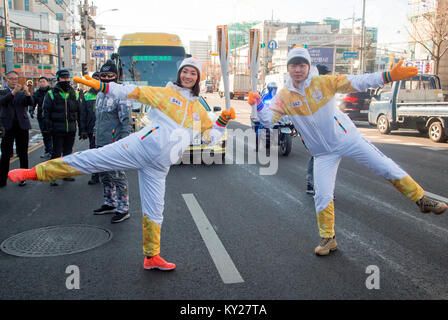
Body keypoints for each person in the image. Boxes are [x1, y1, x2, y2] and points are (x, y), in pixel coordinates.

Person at [8, 57, 236, 271]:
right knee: (93, 159)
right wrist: (103, 87)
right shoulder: (166, 94)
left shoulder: (199, 111)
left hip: (159, 166)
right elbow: (132, 92)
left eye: (192, 73)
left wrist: (222, 122)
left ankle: (151, 257)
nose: (188, 76)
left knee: (155, 211)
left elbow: (209, 138)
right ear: (180, 74)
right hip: (140, 147)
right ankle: (34, 173)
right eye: (185, 71)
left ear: (198, 78)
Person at [248, 46, 447, 256]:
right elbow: (269, 121)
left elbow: (358, 81)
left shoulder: (323, 83)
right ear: (288, 68)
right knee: (322, 195)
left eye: (301, 65)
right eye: (293, 65)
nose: (297, 69)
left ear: (308, 67)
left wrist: (387, 76)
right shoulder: (285, 96)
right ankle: (328, 239)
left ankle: (421, 199)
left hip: (348, 139)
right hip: (323, 153)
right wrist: (260, 105)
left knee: (385, 166)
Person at [89, 61, 131, 223]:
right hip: (100, 142)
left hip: (115, 144)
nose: (106, 78)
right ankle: (110, 203)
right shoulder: (99, 94)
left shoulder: (120, 95)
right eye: (103, 76)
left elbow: (125, 122)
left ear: (116, 77)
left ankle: (123, 208)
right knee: (104, 175)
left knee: (117, 176)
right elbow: (99, 119)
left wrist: (123, 144)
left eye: (110, 76)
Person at [42, 69, 82, 186]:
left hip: (71, 129)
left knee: (68, 153)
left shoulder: (74, 92)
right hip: (57, 129)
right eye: (63, 78)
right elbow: (46, 112)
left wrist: (81, 128)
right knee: (56, 153)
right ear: (58, 78)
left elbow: (79, 111)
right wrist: (49, 128)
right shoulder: (51, 93)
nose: (66, 80)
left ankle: (66, 174)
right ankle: (53, 176)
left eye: (67, 78)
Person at [0, 71, 33, 187]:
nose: (14, 81)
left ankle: (23, 177)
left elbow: (29, 103)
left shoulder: (21, 93)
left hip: (22, 126)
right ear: (6, 80)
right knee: (5, 154)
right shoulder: (3, 92)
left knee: (23, 153)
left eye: (16, 79)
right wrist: (13, 92)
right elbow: (2, 102)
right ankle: (2, 179)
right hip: (7, 127)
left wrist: (27, 92)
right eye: (11, 79)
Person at [306, 64, 332, 195]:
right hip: (315, 132)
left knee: (326, 160)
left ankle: (324, 188)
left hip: (328, 131)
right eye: (326, 75)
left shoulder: (326, 90)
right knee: (317, 157)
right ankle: (311, 184)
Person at [79, 71, 100, 185]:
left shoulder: (106, 93)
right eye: (94, 78)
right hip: (92, 130)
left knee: (106, 154)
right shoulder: (86, 96)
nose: (96, 80)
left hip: (105, 131)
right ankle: (95, 176)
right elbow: (82, 114)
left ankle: (106, 176)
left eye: (98, 78)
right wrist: (83, 130)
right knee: (93, 153)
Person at [30, 76, 53, 159]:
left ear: (47, 82)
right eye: (40, 82)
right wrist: (31, 110)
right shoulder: (37, 93)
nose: (42, 83)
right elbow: (32, 102)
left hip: (51, 116)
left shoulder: (52, 91)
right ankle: (48, 151)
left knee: (52, 134)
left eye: (44, 81)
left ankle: (53, 151)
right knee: (45, 134)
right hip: (41, 116)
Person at [251, 82, 278, 151]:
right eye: (272, 88)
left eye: (275, 88)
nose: (273, 90)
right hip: (266, 116)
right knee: (259, 129)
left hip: (277, 116)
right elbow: (260, 104)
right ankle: (257, 146)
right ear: (269, 89)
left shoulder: (278, 97)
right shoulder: (264, 96)